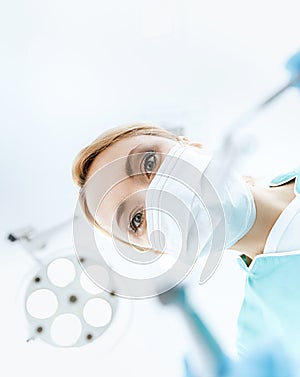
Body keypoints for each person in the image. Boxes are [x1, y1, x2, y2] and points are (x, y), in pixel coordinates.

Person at [72, 51, 300, 356]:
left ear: (189, 144)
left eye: (149, 161)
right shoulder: (263, 343)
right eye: (137, 220)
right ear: (157, 249)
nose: (158, 196)